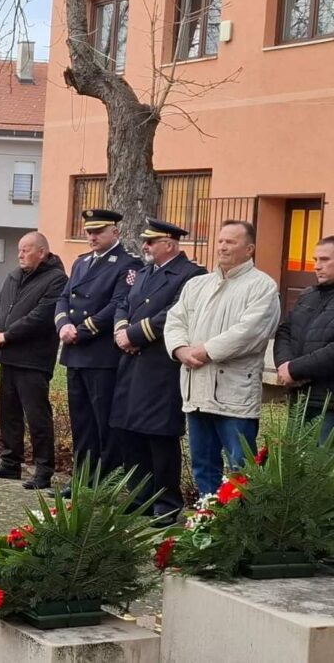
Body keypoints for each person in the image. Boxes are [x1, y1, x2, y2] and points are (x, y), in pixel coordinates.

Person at [165, 220, 281, 496]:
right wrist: (180, 349)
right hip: (197, 391)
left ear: (249, 249)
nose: (223, 246)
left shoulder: (262, 287)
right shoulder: (198, 284)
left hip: (234, 395)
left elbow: (249, 332)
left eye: (231, 241)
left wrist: (206, 351)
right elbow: (174, 320)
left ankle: (239, 528)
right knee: (203, 465)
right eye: (220, 241)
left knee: (241, 469)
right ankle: (208, 526)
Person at [110, 220, 206, 524]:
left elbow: (175, 315)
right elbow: (124, 303)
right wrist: (121, 330)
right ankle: (140, 496)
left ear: (171, 244)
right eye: (145, 242)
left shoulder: (192, 275)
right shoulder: (142, 272)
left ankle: (166, 502)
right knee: (131, 432)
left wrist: (135, 335)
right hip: (132, 363)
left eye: (151, 242)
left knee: (159, 435)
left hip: (160, 365)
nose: (146, 247)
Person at [55, 209, 143, 482]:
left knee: (103, 422)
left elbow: (117, 305)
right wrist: (63, 325)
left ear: (114, 232)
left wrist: (81, 331)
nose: (91, 237)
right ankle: (82, 479)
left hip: (100, 354)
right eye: (89, 232)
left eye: (98, 231)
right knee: (81, 423)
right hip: (75, 353)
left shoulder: (127, 265)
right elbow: (63, 298)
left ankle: (105, 481)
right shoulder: (81, 263)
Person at [0, 232, 68, 489]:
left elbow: (41, 317)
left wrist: (7, 335)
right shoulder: (13, 276)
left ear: (42, 252)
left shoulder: (56, 280)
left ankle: (43, 470)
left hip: (33, 359)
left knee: (37, 416)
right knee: (8, 412)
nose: (20, 254)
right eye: (19, 249)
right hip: (7, 356)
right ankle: (10, 463)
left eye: (26, 250)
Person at [274, 235, 334, 442]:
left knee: (322, 470)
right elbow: (284, 331)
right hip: (299, 398)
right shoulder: (308, 295)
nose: (317, 266)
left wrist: (295, 369)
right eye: (315, 260)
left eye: (325, 260)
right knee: (297, 469)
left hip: (328, 402)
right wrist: (285, 366)